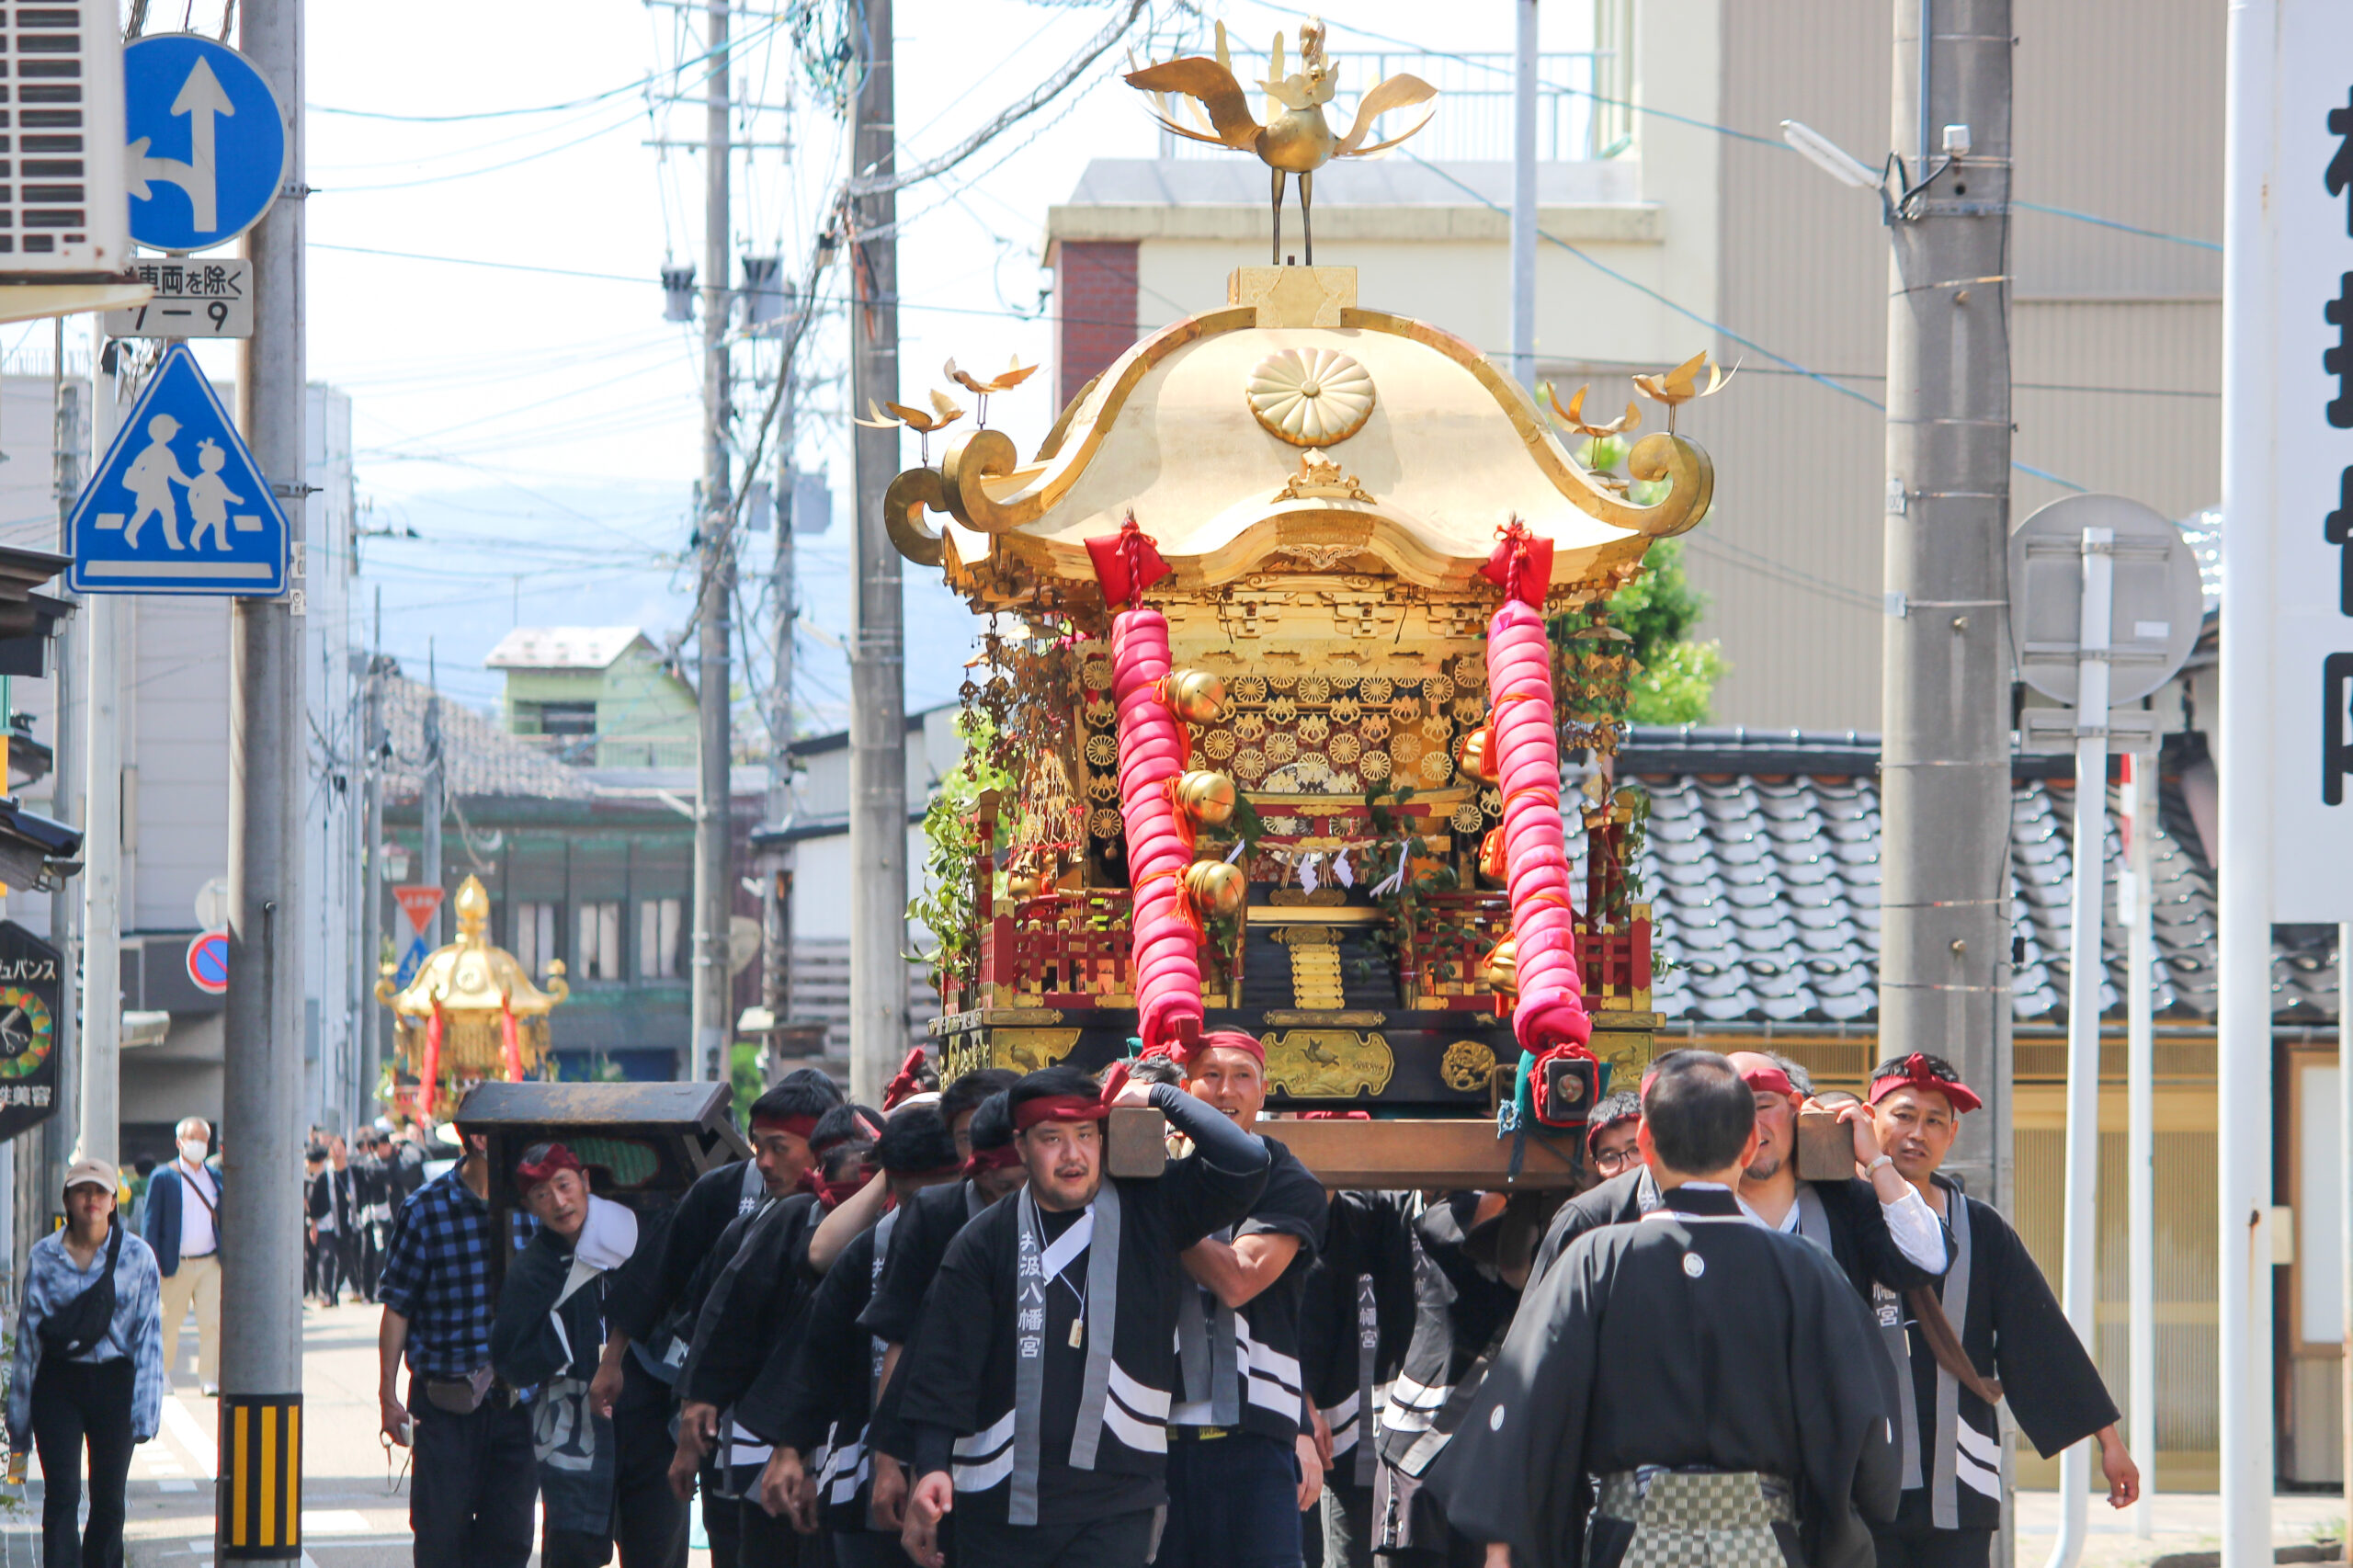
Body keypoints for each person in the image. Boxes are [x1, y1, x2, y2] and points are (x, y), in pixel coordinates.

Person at [1427, 1049, 1900, 1568]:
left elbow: (1524, 1401)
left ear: (1646, 1144)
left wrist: (1506, 1539)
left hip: (1631, 1534)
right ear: (1748, 1144)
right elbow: (1865, 1423)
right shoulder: (1806, 1270)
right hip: (1764, 1539)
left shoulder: (1596, 1260)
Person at [894, 1062, 1272, 1568]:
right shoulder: (983, 1242)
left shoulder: (1153, 1208)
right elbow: (944, 1365)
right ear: (1022, 1147)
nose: (1072, 1155)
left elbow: (1246, 1162)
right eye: (1051, 1138)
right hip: (1000, 1497)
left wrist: (1160, 1095)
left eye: (1085, 1135)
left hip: (1117, 1497)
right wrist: (932, 1466)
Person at [1864, 1053, 2139, 1568]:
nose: (1916, 1134)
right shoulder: (1840, 1212)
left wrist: (2110, 1442)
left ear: (1952, 1135)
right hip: (1866, 1474)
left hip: (1959, 1473)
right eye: (1902, 1115)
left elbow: (2040, 1334)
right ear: (1869, 1117)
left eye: (1934, 1121)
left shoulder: (1982, 1229)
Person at [746, 1107, 966, 1567]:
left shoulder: (993, 1237)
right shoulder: (879, 1240)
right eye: (907, 1198)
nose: (919, 1214)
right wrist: (793, 1447)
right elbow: (822, 1347)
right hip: (875, 1468)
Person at [658, 1077, 854, 1568]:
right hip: (754, 1436)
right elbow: (715, 1316)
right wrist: (698, 1400)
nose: (763, 1162)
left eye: (778, 1148)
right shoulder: (755, 1221)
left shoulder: (872, 1221)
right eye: (758, 1147)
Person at [1158, 1032, 1329, 1568]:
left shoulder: (1289, 1179)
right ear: (1185, 1088)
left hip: (1254, 1439)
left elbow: (1240, 1278)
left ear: (1264, 1092)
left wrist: (1157, 1213)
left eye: (1241, 1077)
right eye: (1209, 1075)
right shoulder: (1145, 1166)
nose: (1224, 1090)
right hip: (1147, 1435)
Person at [492, 1142, 688, 1568]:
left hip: (652, 1424)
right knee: (572, 1552)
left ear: (585, 1182)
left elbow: (683, 1313)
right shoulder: (532, 1269)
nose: (559, 1202)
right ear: (529, 1206)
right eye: (543, 1194)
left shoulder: (640, 1233)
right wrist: (563, 1342)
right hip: (573, 1431)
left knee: (658, 1547)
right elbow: (508, 1358)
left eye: (564, 1185)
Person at [858, 1085, 1030, 1541]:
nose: (1018, 1199)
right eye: (1003, 1189)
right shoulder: (936, 1213)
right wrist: (890, 1460)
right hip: (955, 1439)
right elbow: (901, 1342)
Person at [377, 1126, 537, 1568]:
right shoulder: (424, 1211)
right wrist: (388, 1395)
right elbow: (398, 1309)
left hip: (518, 1406)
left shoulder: (533, 1205)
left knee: (509, 1540)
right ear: (482, 1141)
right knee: (440, 1538)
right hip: (445, 1407)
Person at [7, 1157, 165, 1568]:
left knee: (109, 1501)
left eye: (100, 1191)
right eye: (82, 1190)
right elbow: (28, 1340)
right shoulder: (44, 1257)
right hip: (58, 1383)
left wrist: (146, 1413)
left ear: (114, 1202)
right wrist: (18, 1426)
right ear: (67, 1200)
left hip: (116, 1384)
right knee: (61, 1496)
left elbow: (149, 1338)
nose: (91, 1199)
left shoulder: (139, 1257)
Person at [1725, 1051, 1949, 1301]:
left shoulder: (1845, 1203)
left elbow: (1927, 1260)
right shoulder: (1692, 1209)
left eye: (1764, 1106)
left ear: (1795, 1107)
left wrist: (1876, 1161)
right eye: (1732, 1112)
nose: (1752, 1125)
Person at [1300, 1189, 1417, 1568]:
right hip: (1344, 1437)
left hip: (1411, 1434)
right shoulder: (1335, 1213)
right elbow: (1310, 1315)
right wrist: (1305, 1403)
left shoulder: (1411, 1209)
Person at [142, 1115, 223, 1395]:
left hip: (210, 1261)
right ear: (179, 1142)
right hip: (175, 1263)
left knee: (211, 1322)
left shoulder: (215, 1178)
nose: (199, 1144)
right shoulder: (163, 1177)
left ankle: (209, 1378)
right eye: (193, 1139)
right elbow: (150, 1224)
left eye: (203, 1139)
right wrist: (153, 1262)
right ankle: (162, 1374)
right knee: (169, 1322)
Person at [1580, 1092, 1641, 1193]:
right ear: (1597, 1165)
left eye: (1636, 1150)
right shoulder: (1588, 1208)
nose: (1626, 1168)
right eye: (1610, 1158)